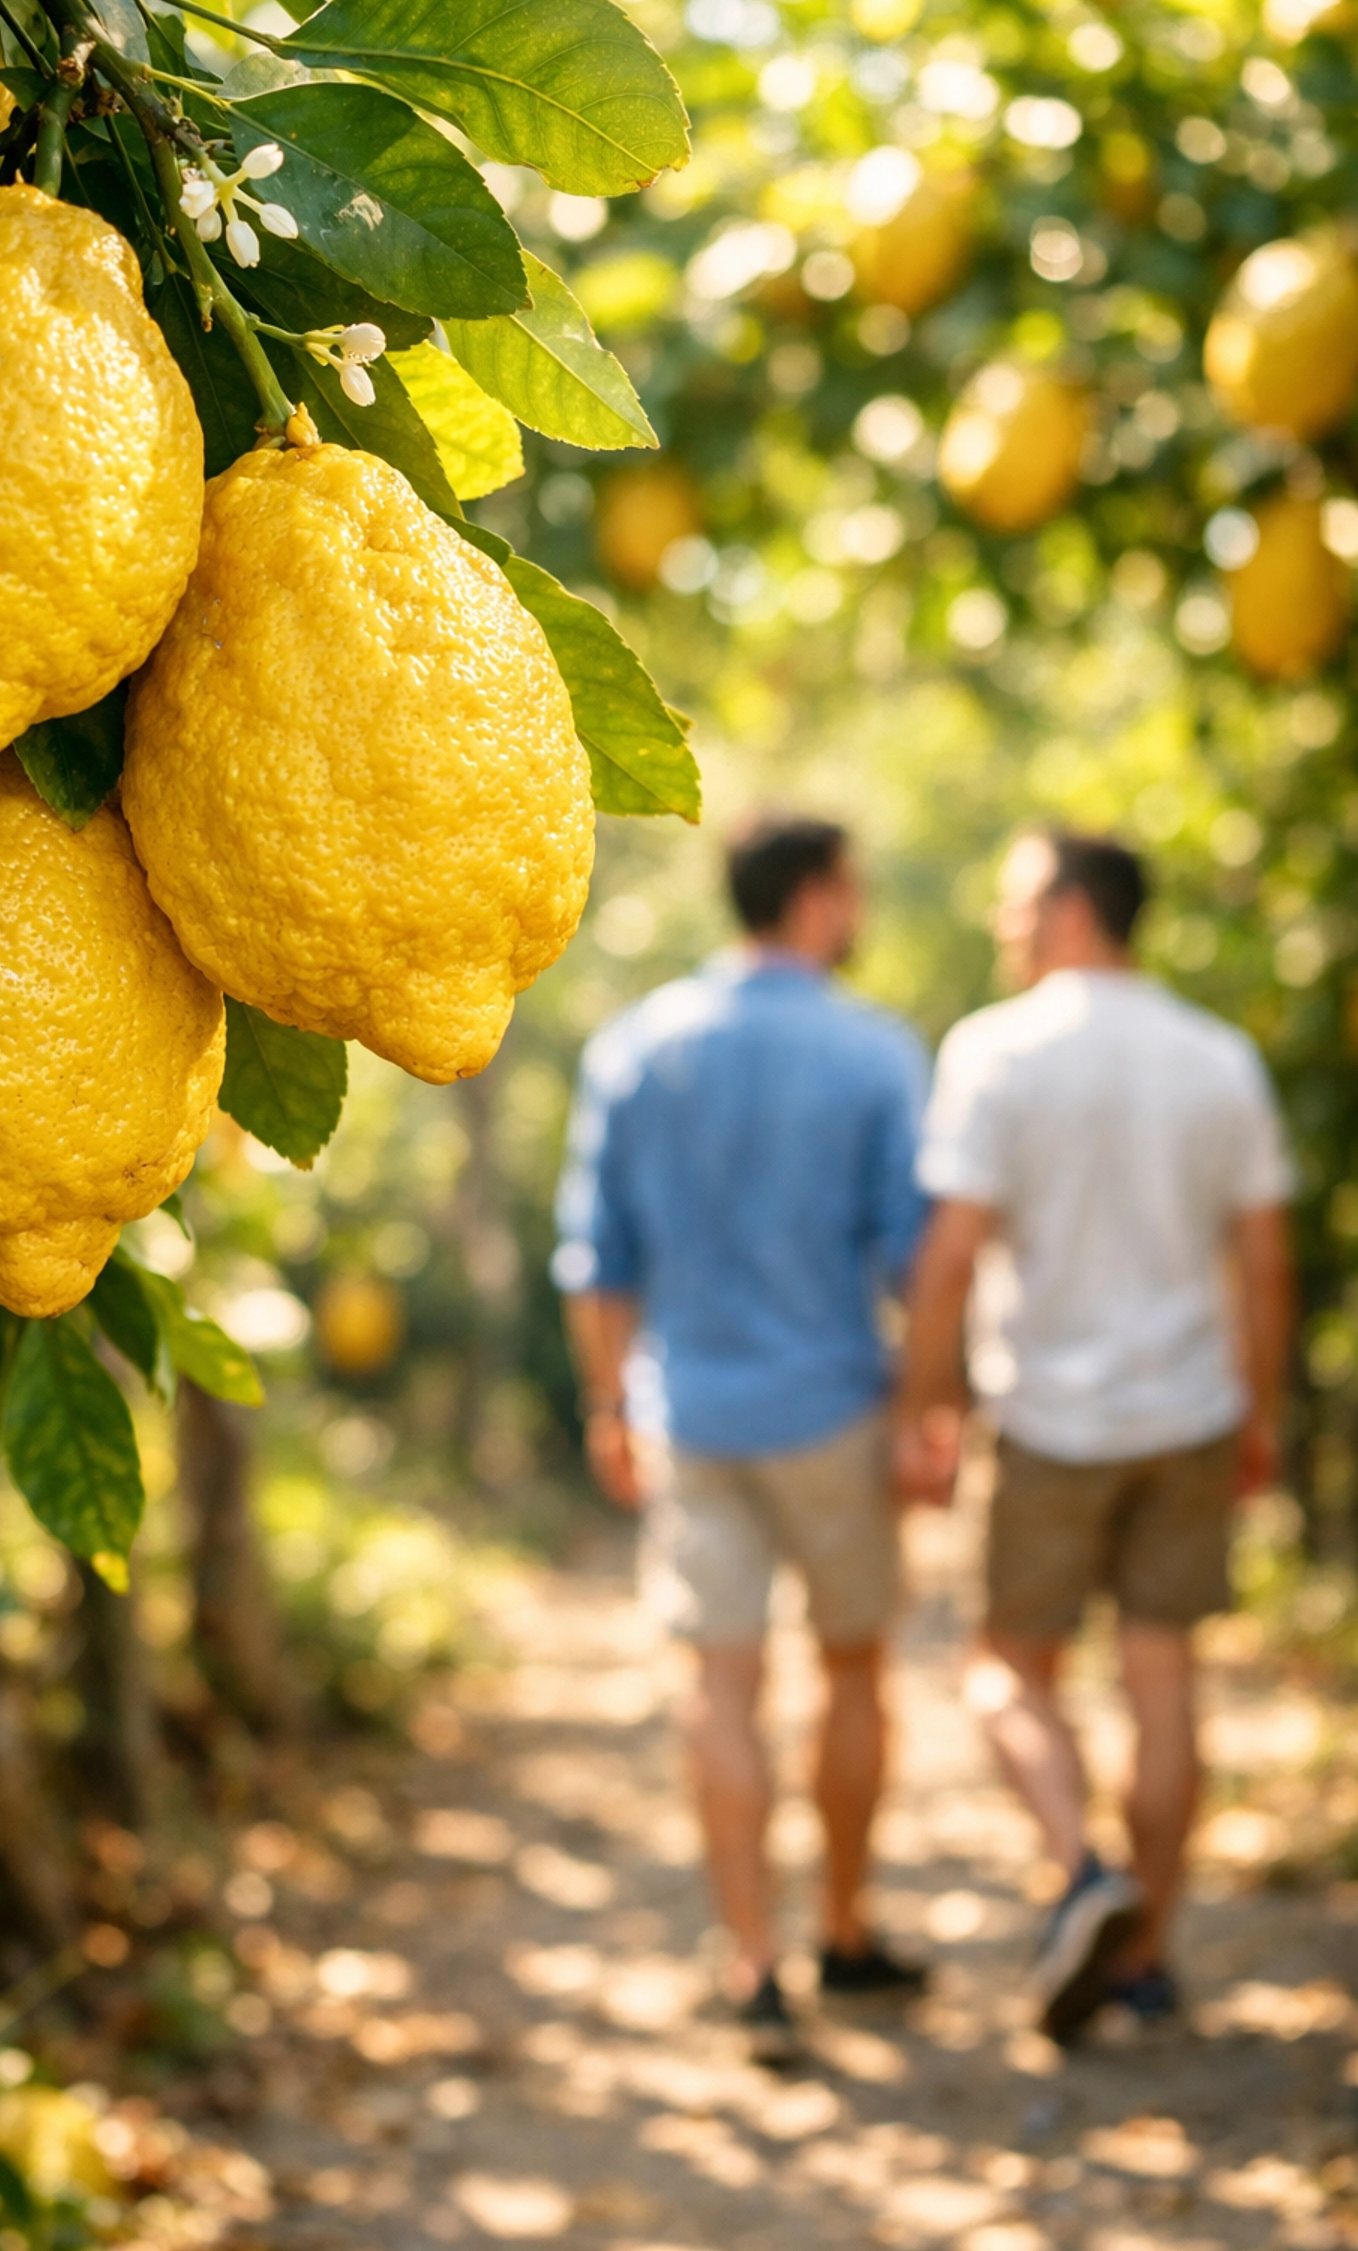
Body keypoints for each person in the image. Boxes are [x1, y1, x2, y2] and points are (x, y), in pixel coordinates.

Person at [895, 828, 1294, 2043]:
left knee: (1003, 1669)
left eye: (1018, 900)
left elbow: (954, 1254)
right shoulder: (1218, 1059)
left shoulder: (995, 1052)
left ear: (1073, 909)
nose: (1004, 922)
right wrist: (1257, 1411)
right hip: (1189, 1414)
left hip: (1050, 1422)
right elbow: (1266, 1261)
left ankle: (1081, 1872)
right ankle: (1150, 1959)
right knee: (1163, 1676)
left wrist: (926, 1404)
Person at [552, 812, 929, 2059]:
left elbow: (595, 1262)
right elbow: (917, 1261)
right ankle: (850, 1930)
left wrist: (612, 1406)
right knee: (855, 1667)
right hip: (834, 1408)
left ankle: (750, 1963)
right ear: (819, 897)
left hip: (693, 1413)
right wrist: (935, 1410)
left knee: (719, 1681)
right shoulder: (875, 1054)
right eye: (853, 889)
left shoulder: (638, 1047)